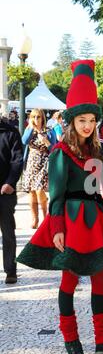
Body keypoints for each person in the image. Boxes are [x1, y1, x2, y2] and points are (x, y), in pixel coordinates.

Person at [17, 60, 103, 354]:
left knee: (99, 282)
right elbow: (56, 195)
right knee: (69, 281)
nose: (86, 125)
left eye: (91, 120)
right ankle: (71, 341)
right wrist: (56, 227)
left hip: (96, 221)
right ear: (71, 121)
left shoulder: (98, 152)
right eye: (81, 119)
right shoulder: (60, 153)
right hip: (71, 223)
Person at [22, 109, 56, 229]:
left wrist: (45, 141)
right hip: (31, 162)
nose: (36, 119)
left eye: (38, 117)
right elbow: (24, 141)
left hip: (43, 163)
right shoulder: (29, 130)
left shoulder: (49, 131)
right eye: (33, 117)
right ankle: (35, 218)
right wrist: (31, 128)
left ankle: (45, 216)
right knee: (31, 191)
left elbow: (55, 149)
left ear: (43, 118)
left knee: (39, 189)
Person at [0, 113, 23, 284]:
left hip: (5, 192)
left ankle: (10, 271)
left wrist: (10, 182)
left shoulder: (11, 132)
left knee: (8, 233)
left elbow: (17, 160)